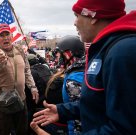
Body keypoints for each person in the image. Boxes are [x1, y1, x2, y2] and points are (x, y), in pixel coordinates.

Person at [32, 0, 136, 134]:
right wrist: (63, 110)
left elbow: (126, 128)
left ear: (93, 16)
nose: (74, 23)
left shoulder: (122, 52)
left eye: (77, 16)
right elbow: (100, 103)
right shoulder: (106, 48)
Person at [0, 23, 39, 135]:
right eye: (2, 35)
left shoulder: (19, 50)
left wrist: (33, 87)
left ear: (11, 36)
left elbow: (27, 70)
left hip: (21, 98)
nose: (5, 37)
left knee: (22, 131)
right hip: (3, 102)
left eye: (7, 34)